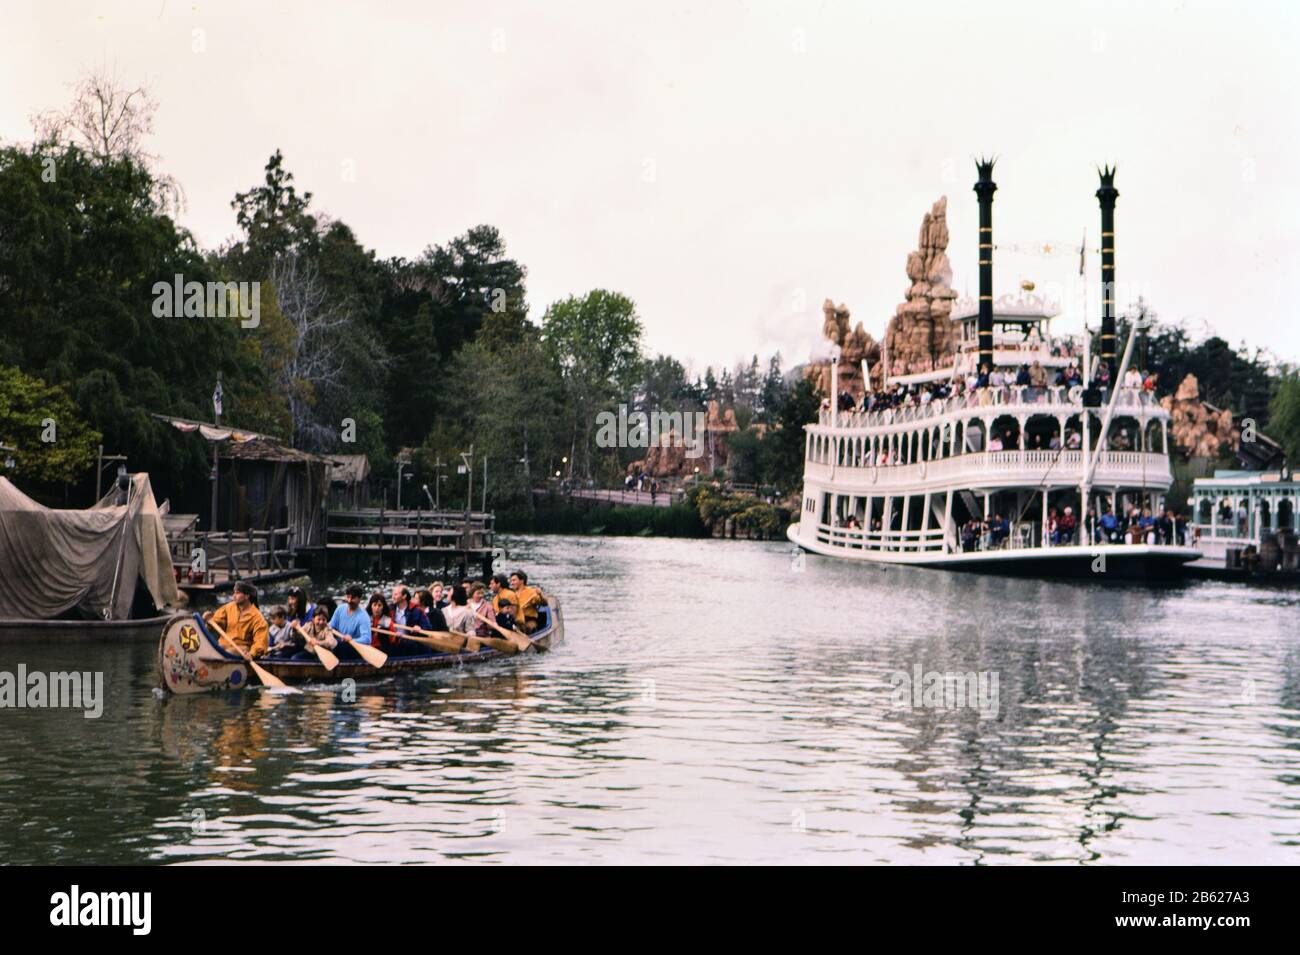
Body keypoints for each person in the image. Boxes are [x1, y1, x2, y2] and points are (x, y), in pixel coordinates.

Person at [204, 581, 269, 657]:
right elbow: (215, 625)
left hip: (242, 649)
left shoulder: (258, 618)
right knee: (212, 649)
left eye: (237, 593)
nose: (234, 596)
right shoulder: (228, 608)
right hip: (224, 645)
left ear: (247, 596)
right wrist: (209, 621)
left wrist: (251, 654)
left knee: (228, 652)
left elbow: (260, 642)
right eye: (234, 592)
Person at [327, 584, 372, 659]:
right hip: (340, 642)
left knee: (340, 646)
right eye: (348, 597)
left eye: (353, 598)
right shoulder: (340, 608)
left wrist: (352, 639)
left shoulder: (363, 616)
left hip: (355, 648)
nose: (349, 601)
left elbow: (367, 639)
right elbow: (331, 626)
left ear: (359, 599)